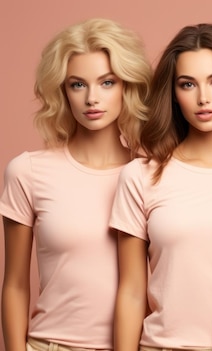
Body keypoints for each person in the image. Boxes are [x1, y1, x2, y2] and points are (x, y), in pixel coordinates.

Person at [0, 18, 151, 351]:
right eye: (78, 85)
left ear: (127, 85)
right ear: (62, 91)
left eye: (107, 82)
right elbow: (14, 284)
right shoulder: (28, 172)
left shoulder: (150, 176)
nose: (92, 98)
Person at [110, 24, 212, 351]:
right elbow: (132, 291)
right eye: (188, 84)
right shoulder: (141, 176)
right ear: (173, 93)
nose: (203, 98)